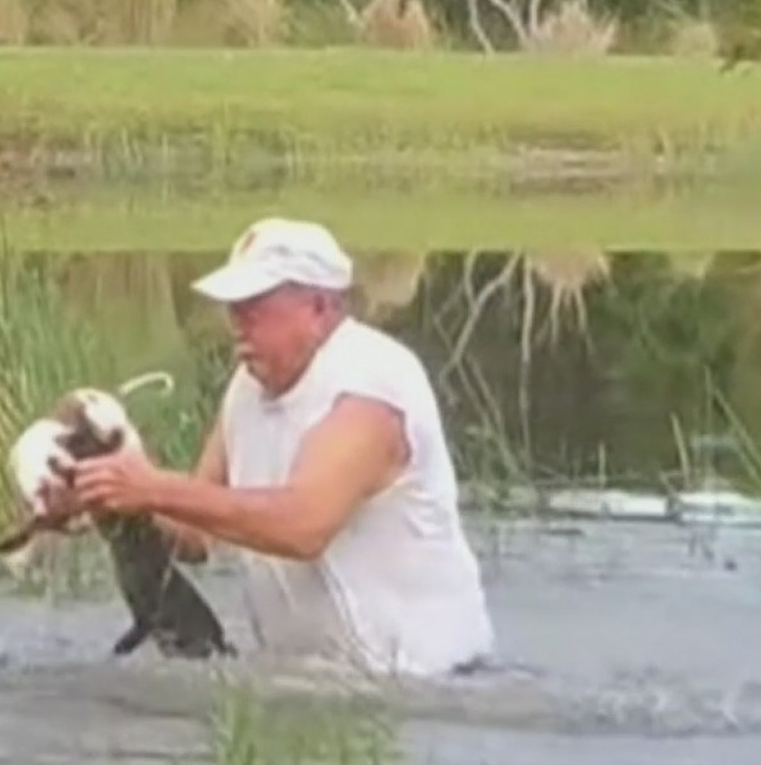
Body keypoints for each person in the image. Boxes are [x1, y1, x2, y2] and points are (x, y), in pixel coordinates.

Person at [44, 217, 496, 678]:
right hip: (312, 684)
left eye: (254, 307)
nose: (236, 323)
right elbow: (198, 535)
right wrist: (104, 494)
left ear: (319, 307)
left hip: (430, 688)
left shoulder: (370, 391)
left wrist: (151, 487)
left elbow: (302, 527)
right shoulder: (248, 385)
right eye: (233, 307)